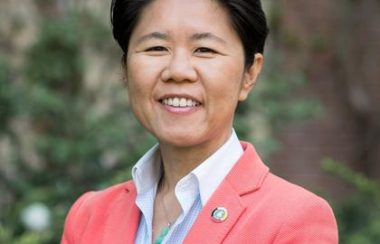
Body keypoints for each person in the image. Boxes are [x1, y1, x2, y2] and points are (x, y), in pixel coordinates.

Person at [61, 0, 338, 243]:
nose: (178, 71)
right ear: (125, 69)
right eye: (157, 48)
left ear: (249, 74)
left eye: (205, 50)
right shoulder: (88, 216)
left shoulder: (294, 220)